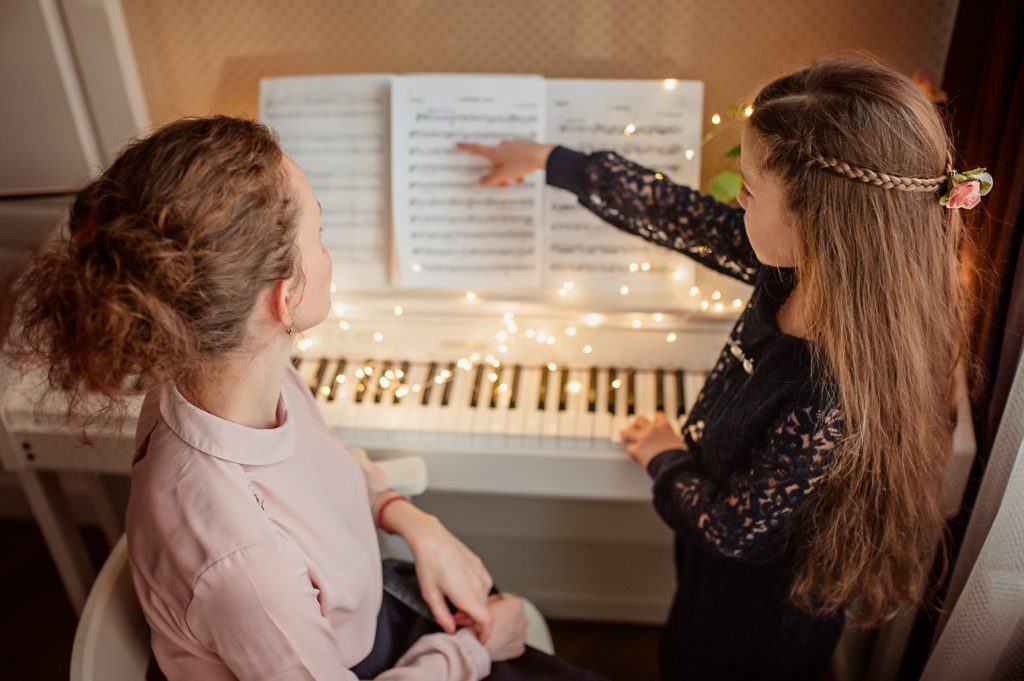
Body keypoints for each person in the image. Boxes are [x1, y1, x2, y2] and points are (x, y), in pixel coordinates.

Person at [3, 116, 607, 681]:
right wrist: (473, 651)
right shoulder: (247, 564)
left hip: (374, 608)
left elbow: (319, 465)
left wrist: (407, 517)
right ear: (284, 298)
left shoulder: (225, 368)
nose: (329, 255)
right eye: (321, 233)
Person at [459, 57, 990, 680]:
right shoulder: (794, 269)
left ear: (816, 221)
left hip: (759, 615)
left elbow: (733, 528)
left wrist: (666, 458)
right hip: (712, 575)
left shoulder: (831, 393)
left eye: (749, 190)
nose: (736, 200)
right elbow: (675, 213)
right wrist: (550, 160)